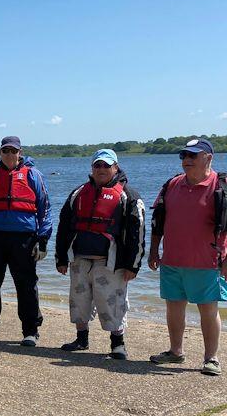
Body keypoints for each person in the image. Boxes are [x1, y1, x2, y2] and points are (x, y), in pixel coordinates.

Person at [55, 149, 145, 360]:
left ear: (116, 167)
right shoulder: (78, 193)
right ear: (92, 168)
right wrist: (60, 257)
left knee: (112, 303)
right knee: (79, 301)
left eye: (106, 165)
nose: (101, 169)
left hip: (111, 261)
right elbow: (64, 226)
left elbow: (137, 231)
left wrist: (133, 265)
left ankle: (118, 344)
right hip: (79, 258)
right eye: (98, 165)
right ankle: (81, 339)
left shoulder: (128, 195)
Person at [148, 138, 225, 376]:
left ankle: (211, 358)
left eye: (193, 156)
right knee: (174, 307)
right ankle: (175, 351)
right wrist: (153, 250)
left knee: (208, 310)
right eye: (183, 156)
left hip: (207, 262)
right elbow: (158, 222)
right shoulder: (172, 185)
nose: (187, 160)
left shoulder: (220, 187)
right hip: (172, 260)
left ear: (208, 158)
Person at [0, 136, 51, 347]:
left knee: (26, 284)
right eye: (6, 151)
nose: (10, 155)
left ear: (20, 153)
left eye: (14, 151)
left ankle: (30, 330)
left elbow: (45, 209)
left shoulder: (33, 176)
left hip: (24, 238)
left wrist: (43, 240)